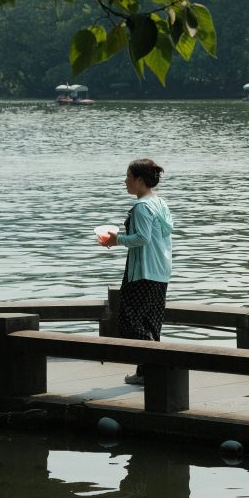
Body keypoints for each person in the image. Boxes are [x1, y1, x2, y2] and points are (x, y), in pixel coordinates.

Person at [99, 158, 173, 385]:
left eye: (128, 178)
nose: (125, 182)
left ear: (140, 180)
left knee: (129, 323)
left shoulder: (142, 207)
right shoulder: (159, 202)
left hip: (142, 272)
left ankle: (159, 361)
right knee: (151, 322)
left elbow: (142, 238)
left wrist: (116, 239)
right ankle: (146, 373)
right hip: (160, 271)